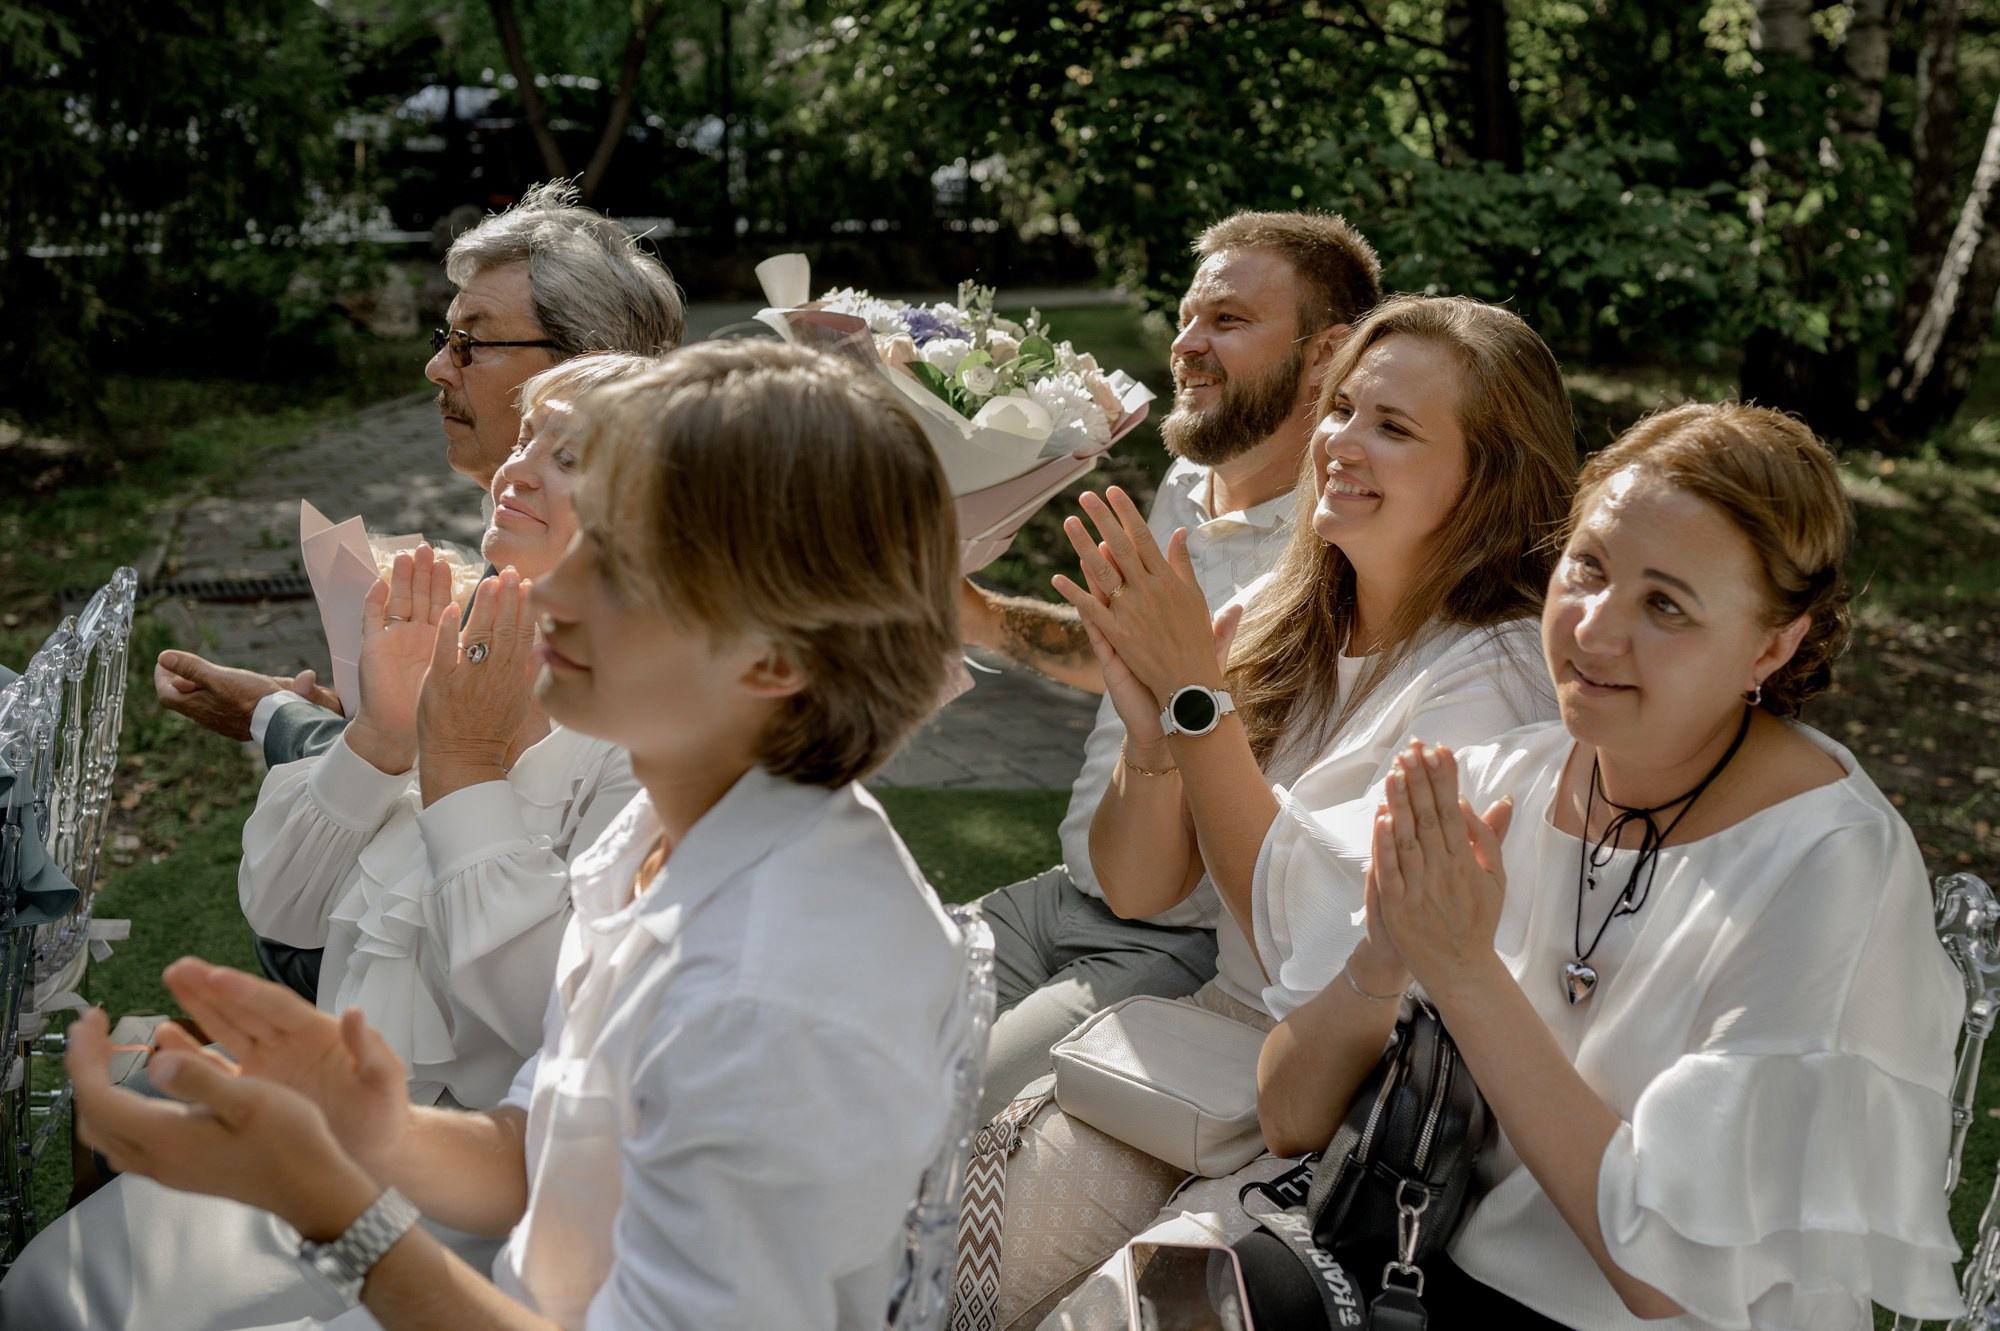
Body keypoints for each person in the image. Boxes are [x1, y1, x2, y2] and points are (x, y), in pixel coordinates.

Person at [3, 340, 970, 1331]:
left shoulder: (774, 999)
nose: (551, 588)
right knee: (42, 1290)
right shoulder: (674, 824)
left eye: (624, 560)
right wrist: (367, 1119)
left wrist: (330, 1202)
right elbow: (547, 1153)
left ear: (770, 660)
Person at [1241, 402, 1962, 1329]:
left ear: (1773, 645)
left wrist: (1461, 969)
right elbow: (1288, 1117)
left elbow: (1665, 1273)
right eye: (1588, 567)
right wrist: (1385, 956)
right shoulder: (1511, 774)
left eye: (1665, 604)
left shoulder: (1828, 862)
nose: (1594, 629)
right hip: (1423, 1281)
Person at [975, 295, 1579, 1330]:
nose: (1340, 442)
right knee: (939, 1249)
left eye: (1391, 426)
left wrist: (1197, 703)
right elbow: (1138, 882)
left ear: (1487, 475)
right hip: (1197, 1056)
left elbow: (1307, 946)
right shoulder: (1281, 610)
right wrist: (1159, 744)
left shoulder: (1498, 672)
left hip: (1339, 1110)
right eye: (1340, 410)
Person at [963, 211, 1382, 1117]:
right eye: (1188, 318)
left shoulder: (1340, 550)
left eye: (1226, 321)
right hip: (1061, 894)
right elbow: (1130, 660)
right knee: (840, 1039)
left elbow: (1198, 722)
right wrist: (977, 613)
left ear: (1327, 356)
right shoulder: (1190, 479)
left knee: (934, 1115)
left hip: (1172, 947)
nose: (1186, 345)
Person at [153, 179, 686, 771]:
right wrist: (351, 713)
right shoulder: (528, 526)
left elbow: (460, 798)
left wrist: (277, 719)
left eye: (470, 343)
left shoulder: (597, 603)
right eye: (445, 338)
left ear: (583, 366)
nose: (436, 368)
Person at [236, 354, 650, 1109]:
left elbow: (560, 1016)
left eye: (565, 457)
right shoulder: (458, 645)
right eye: (524, 438)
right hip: (343, 1140)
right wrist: (381, 738)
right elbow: (282, 909)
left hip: (491, 1194)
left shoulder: (649, 741)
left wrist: (461, 765)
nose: (514, 471)